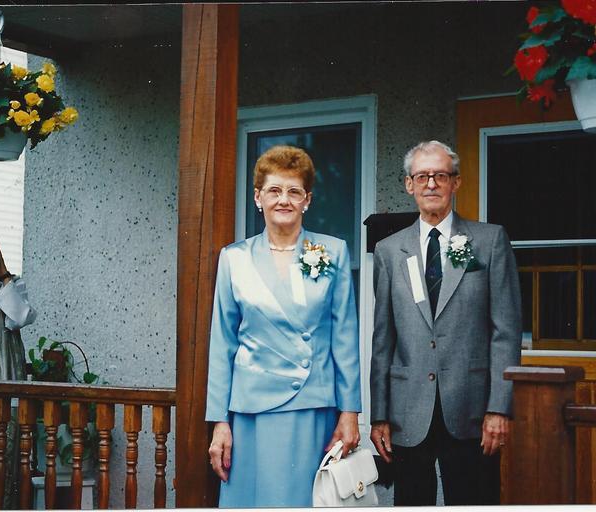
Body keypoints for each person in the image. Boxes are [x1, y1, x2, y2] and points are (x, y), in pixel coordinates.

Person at [205, 145, 361, 507]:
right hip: (251, 412)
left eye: (294, 191)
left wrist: (350, 411)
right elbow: (223, 344)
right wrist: (219, 421)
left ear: (308, 200)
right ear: (257, 197)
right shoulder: (234, 258)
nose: (283, 200)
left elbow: (345, 338)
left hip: (311, 406)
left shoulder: (333, 252)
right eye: (274, 190)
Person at [369, 140, 522, 506]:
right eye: (422, 176)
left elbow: (505, 332)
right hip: (408, 411)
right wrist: (379, 415)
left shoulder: (489, 241)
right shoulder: (389, 251)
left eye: (440, 175)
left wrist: (498, 408)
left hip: (472, 409)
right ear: (409, 184)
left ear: (456, 182)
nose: (431, 184)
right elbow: (383, 340)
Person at [0, 227, 37, 508]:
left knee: (2, 474)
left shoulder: (11, 286)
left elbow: (20, 317)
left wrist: (3, 274)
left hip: (1, 400)